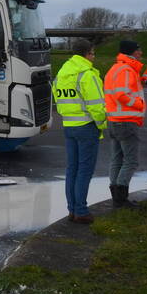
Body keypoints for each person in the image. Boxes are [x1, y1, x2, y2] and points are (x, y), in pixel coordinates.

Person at [53, 39, 107, 224]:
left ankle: (72, 210)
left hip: (68, 126)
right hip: (87, 126)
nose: (94, 57)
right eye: (93, 53)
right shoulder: (87, 74)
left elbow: (58, 99)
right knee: (84, 170)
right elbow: (97, 106)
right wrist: (101, 124)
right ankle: (81, 211)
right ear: (87, 53)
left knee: (72, 170)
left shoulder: (62, 73)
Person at [103, 41, 145, 208]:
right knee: (130, 161)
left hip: (115, 120)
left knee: (117, 159)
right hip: (126, 121)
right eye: (139, 50)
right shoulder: (126, 70)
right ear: (132, 52)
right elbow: (121, 95)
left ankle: (117, 197)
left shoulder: (115, 68)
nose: (141, 53)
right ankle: (121, 198)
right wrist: (139, 104)